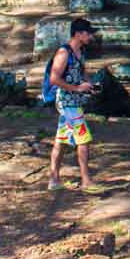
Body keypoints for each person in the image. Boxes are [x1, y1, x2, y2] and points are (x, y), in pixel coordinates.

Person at [47, 16, 99, 192]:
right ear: (78, 34)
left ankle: (54, 179)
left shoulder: (80, 52)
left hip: (74, 100)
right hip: (67, 101)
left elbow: (81, 72)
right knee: (84, 139)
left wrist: (89, 85)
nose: (91, 37)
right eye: (88, 34)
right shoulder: (63, 53)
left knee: (61, 141)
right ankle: (85, 180)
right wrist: (76, 88)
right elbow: (54, 79)